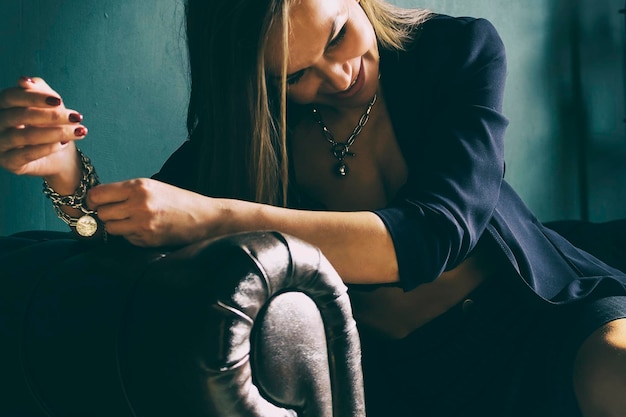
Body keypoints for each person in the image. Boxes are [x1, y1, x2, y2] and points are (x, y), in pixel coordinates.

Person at [1, 0, 626, 415]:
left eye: (336, 34)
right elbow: (134, 253)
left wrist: (217, 216)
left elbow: (436, 236)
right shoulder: (253, 134)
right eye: (298, 74)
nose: (340, 72)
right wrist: (63, 168)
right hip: (393, 372)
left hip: (538, 319)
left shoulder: (453, 50)